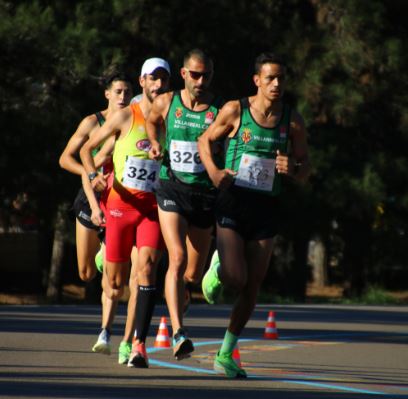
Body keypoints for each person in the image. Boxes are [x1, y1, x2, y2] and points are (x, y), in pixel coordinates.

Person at [198, 52, 310, 378]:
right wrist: (215, 172)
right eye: (270, 78)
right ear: (257, 80)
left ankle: (225, 353)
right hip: (233, 200)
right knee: (236, 278)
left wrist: (294, 168)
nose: (276, 84)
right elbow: (205, 140)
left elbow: (305, 168)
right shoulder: (236, 110)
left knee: (253, 285)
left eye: (282, 79)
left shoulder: (292, 120)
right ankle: (218, 268)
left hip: (266, 207)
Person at [80, 57, 171, 368]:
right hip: (120, 207)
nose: (158, 85)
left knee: (146, 270)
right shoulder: (123, 117)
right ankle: (109, 323)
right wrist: (94, 177)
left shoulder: (172, 120)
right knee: (115, 284)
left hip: (151, 209)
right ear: (142, 83)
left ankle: (138, 345)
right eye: (152, 79)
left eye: (164, 80)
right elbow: (85, 151)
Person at [147, 49, 223, 360]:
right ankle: (179, 332)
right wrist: (154, 141)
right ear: (183, 74)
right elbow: (151, 121)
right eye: (195, 74)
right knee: (175, 258)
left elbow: (229, 147)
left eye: (206, 75)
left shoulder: (217, 112)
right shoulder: (167, 102)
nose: (200, 80)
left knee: (191, 274)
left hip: (203, 195)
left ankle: (201, 277)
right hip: (171, 187)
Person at [59, 68, 134, 358]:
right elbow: (65, 158)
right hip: (90, 198)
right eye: (118, 92)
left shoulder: (135, 121)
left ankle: (105, 331)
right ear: (107, 94)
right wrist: (90, 174)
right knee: (86, 272)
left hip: (120, 204)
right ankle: (102, 257)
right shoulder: (93, 122)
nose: (123, 97)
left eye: (128, 92)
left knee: (113, 284)